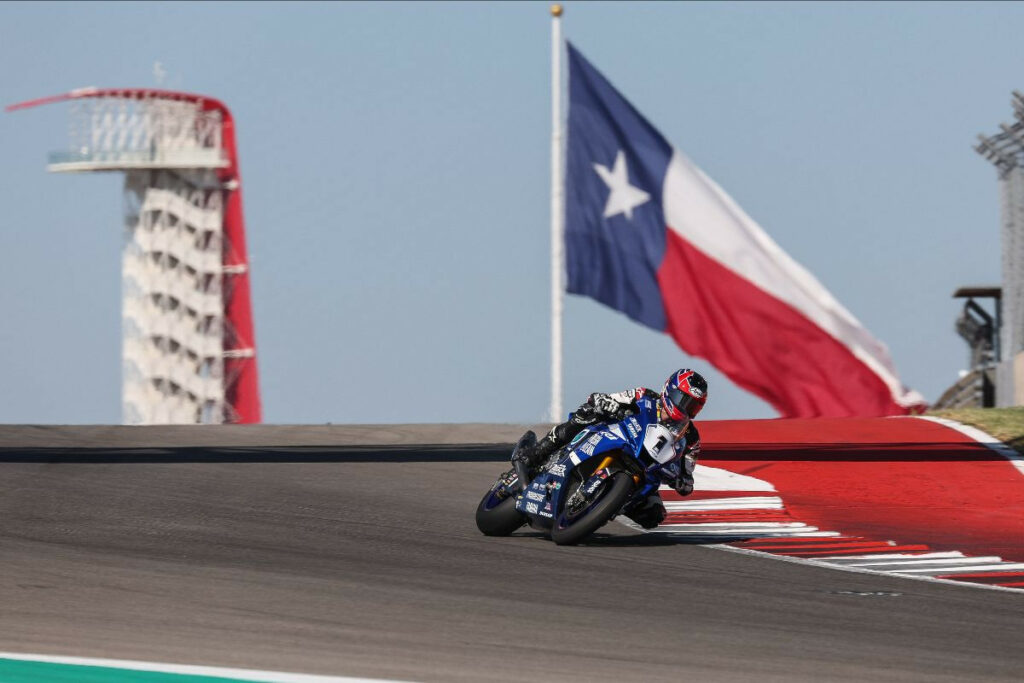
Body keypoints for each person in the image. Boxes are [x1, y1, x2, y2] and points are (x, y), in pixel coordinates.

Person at [515, 368, 708, 529]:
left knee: (654, 515)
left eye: (692, 406)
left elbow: (688, 471)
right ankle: (539, 452)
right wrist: (606, 402)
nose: (686, 408)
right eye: (683, 399)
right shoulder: (644, 396)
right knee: (587, 414)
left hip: (646, 470)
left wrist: (684, 482)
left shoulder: (691, 437)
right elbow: (612, 398)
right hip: (617, 438)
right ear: (669, 389)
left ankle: (604, 506)